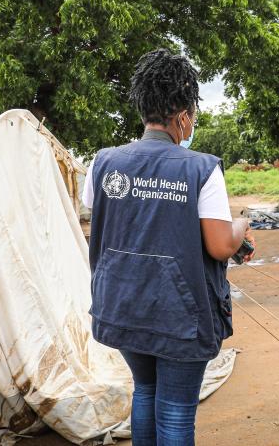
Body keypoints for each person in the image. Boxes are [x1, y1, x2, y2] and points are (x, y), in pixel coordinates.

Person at [84, 49, 253, 446]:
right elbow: (218, 245)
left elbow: (111, 220)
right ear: (182, 114)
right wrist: (242, 224)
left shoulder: (103, 163)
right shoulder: (201, 168)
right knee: (175, 410)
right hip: (180, 316)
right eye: (192, 113)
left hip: (123, 308)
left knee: (145, 390)